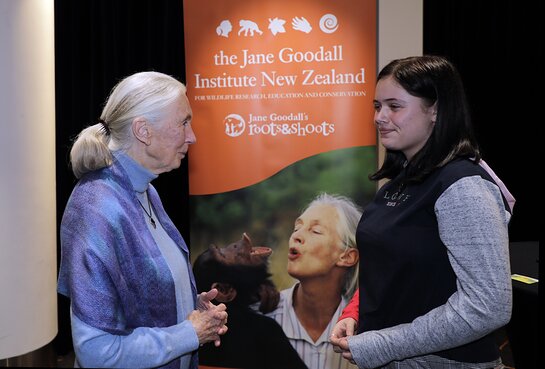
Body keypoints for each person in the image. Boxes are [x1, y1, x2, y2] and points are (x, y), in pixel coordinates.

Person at [330, 55, 513, 369]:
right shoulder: (399, 183)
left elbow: (488, 306)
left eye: (394, 106)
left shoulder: (463, 186)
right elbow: (393, 269)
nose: (379, 117)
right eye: (377, 106)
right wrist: (355, 312)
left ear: (436, 110)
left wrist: (381, 343)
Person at [57, 71, 228, 369]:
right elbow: (97, 353)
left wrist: (189, 306)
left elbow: (137, 295)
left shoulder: (145, 189)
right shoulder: (95, 210)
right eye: (183, 122)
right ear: (143, 131)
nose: (192, 136)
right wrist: (190, 332)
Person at [266, 193, 362, 369]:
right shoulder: (263, 316)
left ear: (347, 257)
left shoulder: (363, 333)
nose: (296, 236)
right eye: (296, 228)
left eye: (315, 231)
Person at [193, 233, 308, 369]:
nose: (234, 245)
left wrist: (256, 286)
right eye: (223, 255)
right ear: (223, 291)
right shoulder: (264, 330)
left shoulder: (193, 338)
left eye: (222, 248)